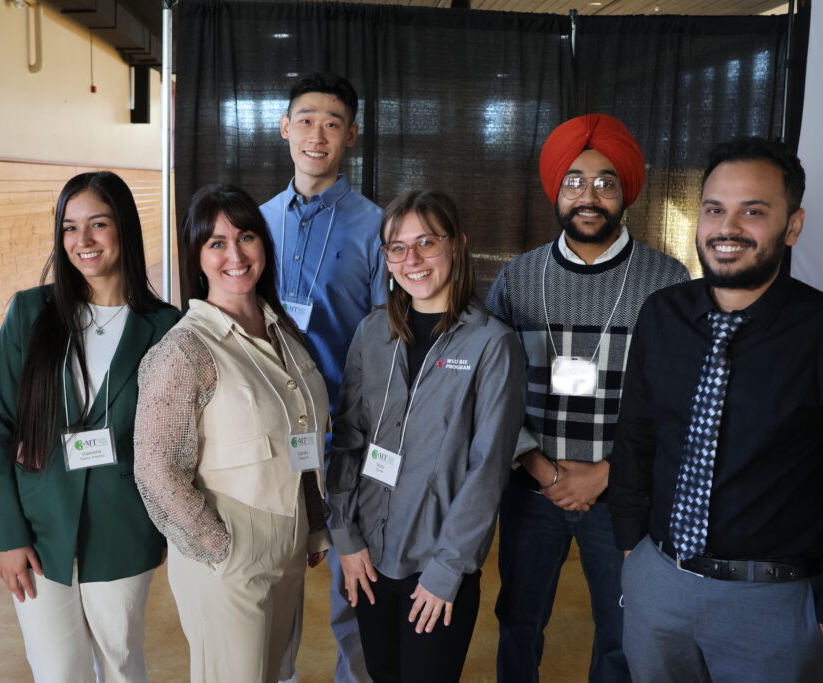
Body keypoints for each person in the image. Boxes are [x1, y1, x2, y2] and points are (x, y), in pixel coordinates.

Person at [608, 136, 823, 682]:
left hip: (772, 600)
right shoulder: (663, 313)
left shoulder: (816, 329)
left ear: (792, 226)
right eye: (715, 209)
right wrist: (632, 548)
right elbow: (635, 434)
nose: (728, 228)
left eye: (753, 211)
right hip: (660, 580)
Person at [486, 114, 689, 683]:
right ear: (556, 189)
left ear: (625, 192)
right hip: (532, 490)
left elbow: (677, 402)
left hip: (622, 495)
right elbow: (492, 391)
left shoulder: (666, 280)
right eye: (574, 180)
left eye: (605, 182)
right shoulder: (517, 278)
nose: (589, 195)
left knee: (623, 633)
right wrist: (542, 469)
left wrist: (606, 473)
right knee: (518, 620)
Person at [0, 171, 178, 683]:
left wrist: (165, 527)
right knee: (57, 671)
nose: (82, 241)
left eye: (98, 224)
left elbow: (175, 440)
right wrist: (6, 534)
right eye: (69, 228)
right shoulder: (31, 312)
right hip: (39, 530)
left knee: (121, 663)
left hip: (124, 527)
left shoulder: (166, 326)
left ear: (125, 229)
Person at [134, 184, 331, 683]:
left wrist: (314, 523)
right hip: (229, 551)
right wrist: (217, 550)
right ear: (197, 257)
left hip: (289, 546)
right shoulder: (183, 351)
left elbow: (302, 433)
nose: (235, 254)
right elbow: (155, 468)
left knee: (275, 674)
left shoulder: (282, 330)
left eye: (245, 237)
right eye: (216, 243)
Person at [329, 189, 526, 682]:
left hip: (437, 568)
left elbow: (488, 469)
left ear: (456, 245)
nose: (411, 259)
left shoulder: (491, 343)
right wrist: (345, 539)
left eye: (426, 243)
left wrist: (447, 572)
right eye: (397, 247)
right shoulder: (372, 333)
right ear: (385, 257)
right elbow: (349, 440)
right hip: (368, 558)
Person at [260, 70, 385, 683]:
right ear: (285, 128)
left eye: (333, 123)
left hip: (344, 443)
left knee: (353, 595)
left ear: (352, 136)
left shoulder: (377, 228)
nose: (317, 134)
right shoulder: (251, 225)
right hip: (264, 441)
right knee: (270, 594)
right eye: (305, 120)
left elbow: (391, 341)